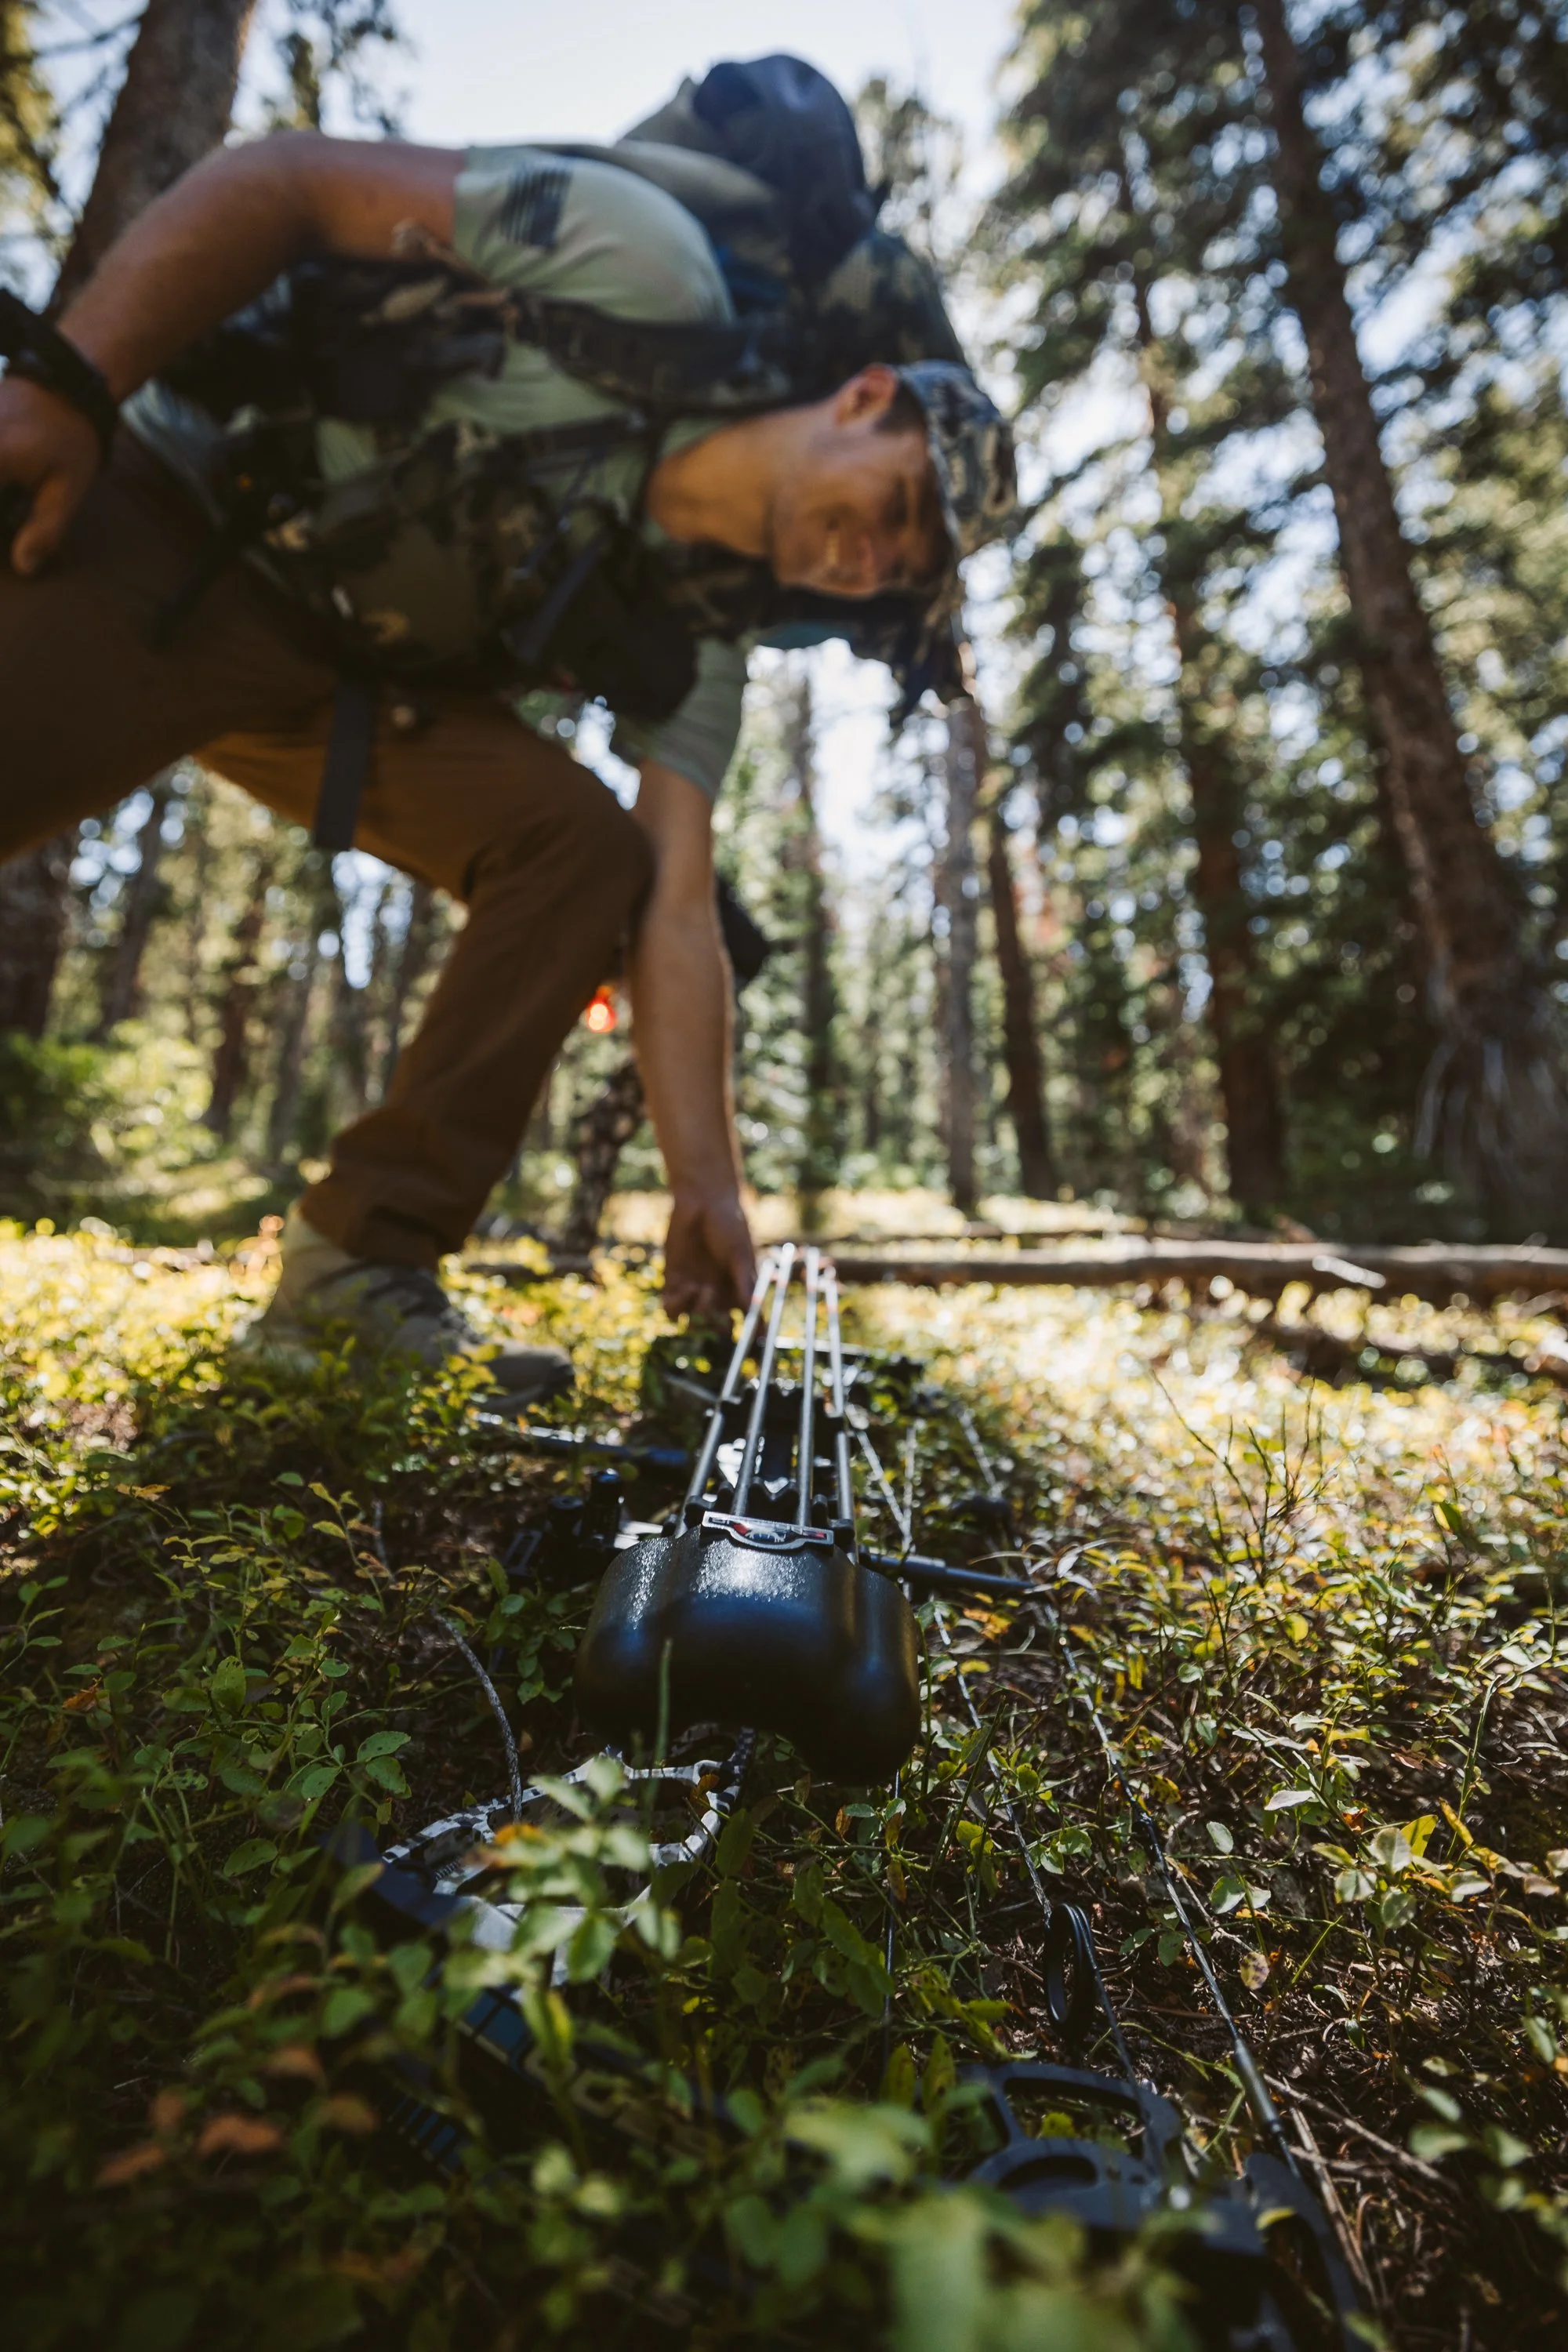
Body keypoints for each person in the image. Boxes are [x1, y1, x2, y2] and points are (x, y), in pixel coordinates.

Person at [0, 107, 1015, 1397]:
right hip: (170, 534)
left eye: (901, 568)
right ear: (864, 399)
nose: (867, 558)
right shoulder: (644, 269)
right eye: (896, 505)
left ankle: (357, 1271)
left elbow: (681, 911)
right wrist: (68, 386)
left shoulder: (700, 630)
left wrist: (706, 1186)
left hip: (344, 691)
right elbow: (291, 177)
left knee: (590, 856)